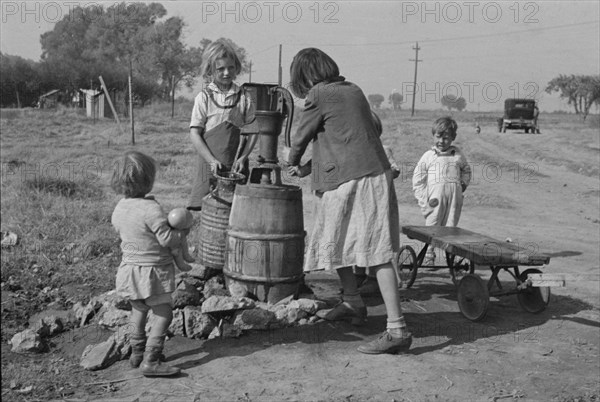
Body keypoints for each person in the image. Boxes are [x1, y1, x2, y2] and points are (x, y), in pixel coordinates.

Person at [286, 48, 412, 355]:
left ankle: (397, 329)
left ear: (303, 77)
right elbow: (338, 137)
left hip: (359, 178)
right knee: (337, 241)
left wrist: (291, 160)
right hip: (367, 173)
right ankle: (353, 302)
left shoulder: (318, 94)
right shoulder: (352, 90)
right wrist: (308, 168)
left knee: (376, 250)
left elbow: (301, 136)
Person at [111, 151, 186, 377]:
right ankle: (151, 360)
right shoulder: (152, 209)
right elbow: (166, 239)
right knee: (164, 313)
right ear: (149, 180)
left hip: (130, 270)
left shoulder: (120, 207)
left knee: (138, 310)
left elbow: (120, 229)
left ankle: (137, 351)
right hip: (153, 272)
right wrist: (180, 234)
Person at [188, 39, 257, 210]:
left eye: (230, 68)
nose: (226, 72)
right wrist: (211, 160)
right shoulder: (203, 98)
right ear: (210, 70)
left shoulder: (244, 97)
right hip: (208, 163)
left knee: (234, 210)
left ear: (237, 68)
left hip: (235, 165)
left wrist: (243, 157)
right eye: (220, 69)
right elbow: (195, 133)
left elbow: (254, 131)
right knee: (207, 208)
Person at [412, 117, 471, 265]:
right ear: (433, 136)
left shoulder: (457, 155)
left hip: (454, 198)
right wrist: (423, 199)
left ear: (453, 138)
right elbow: (418, 178)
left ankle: (449, 256)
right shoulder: (428, 156)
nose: (442, 141)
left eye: (446, 138)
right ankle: (429, 256)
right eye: (438, 137)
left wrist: (462, 185)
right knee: (433, 225)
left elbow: (466, 170)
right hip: (434, 198)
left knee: (450, 226)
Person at [167, 208, 195, 272]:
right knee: (178, 250)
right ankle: (181, 265)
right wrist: (173, 249)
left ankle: (186, 255)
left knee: (182, 241)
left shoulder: (177, 230)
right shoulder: (174, 234)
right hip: (172, 247)